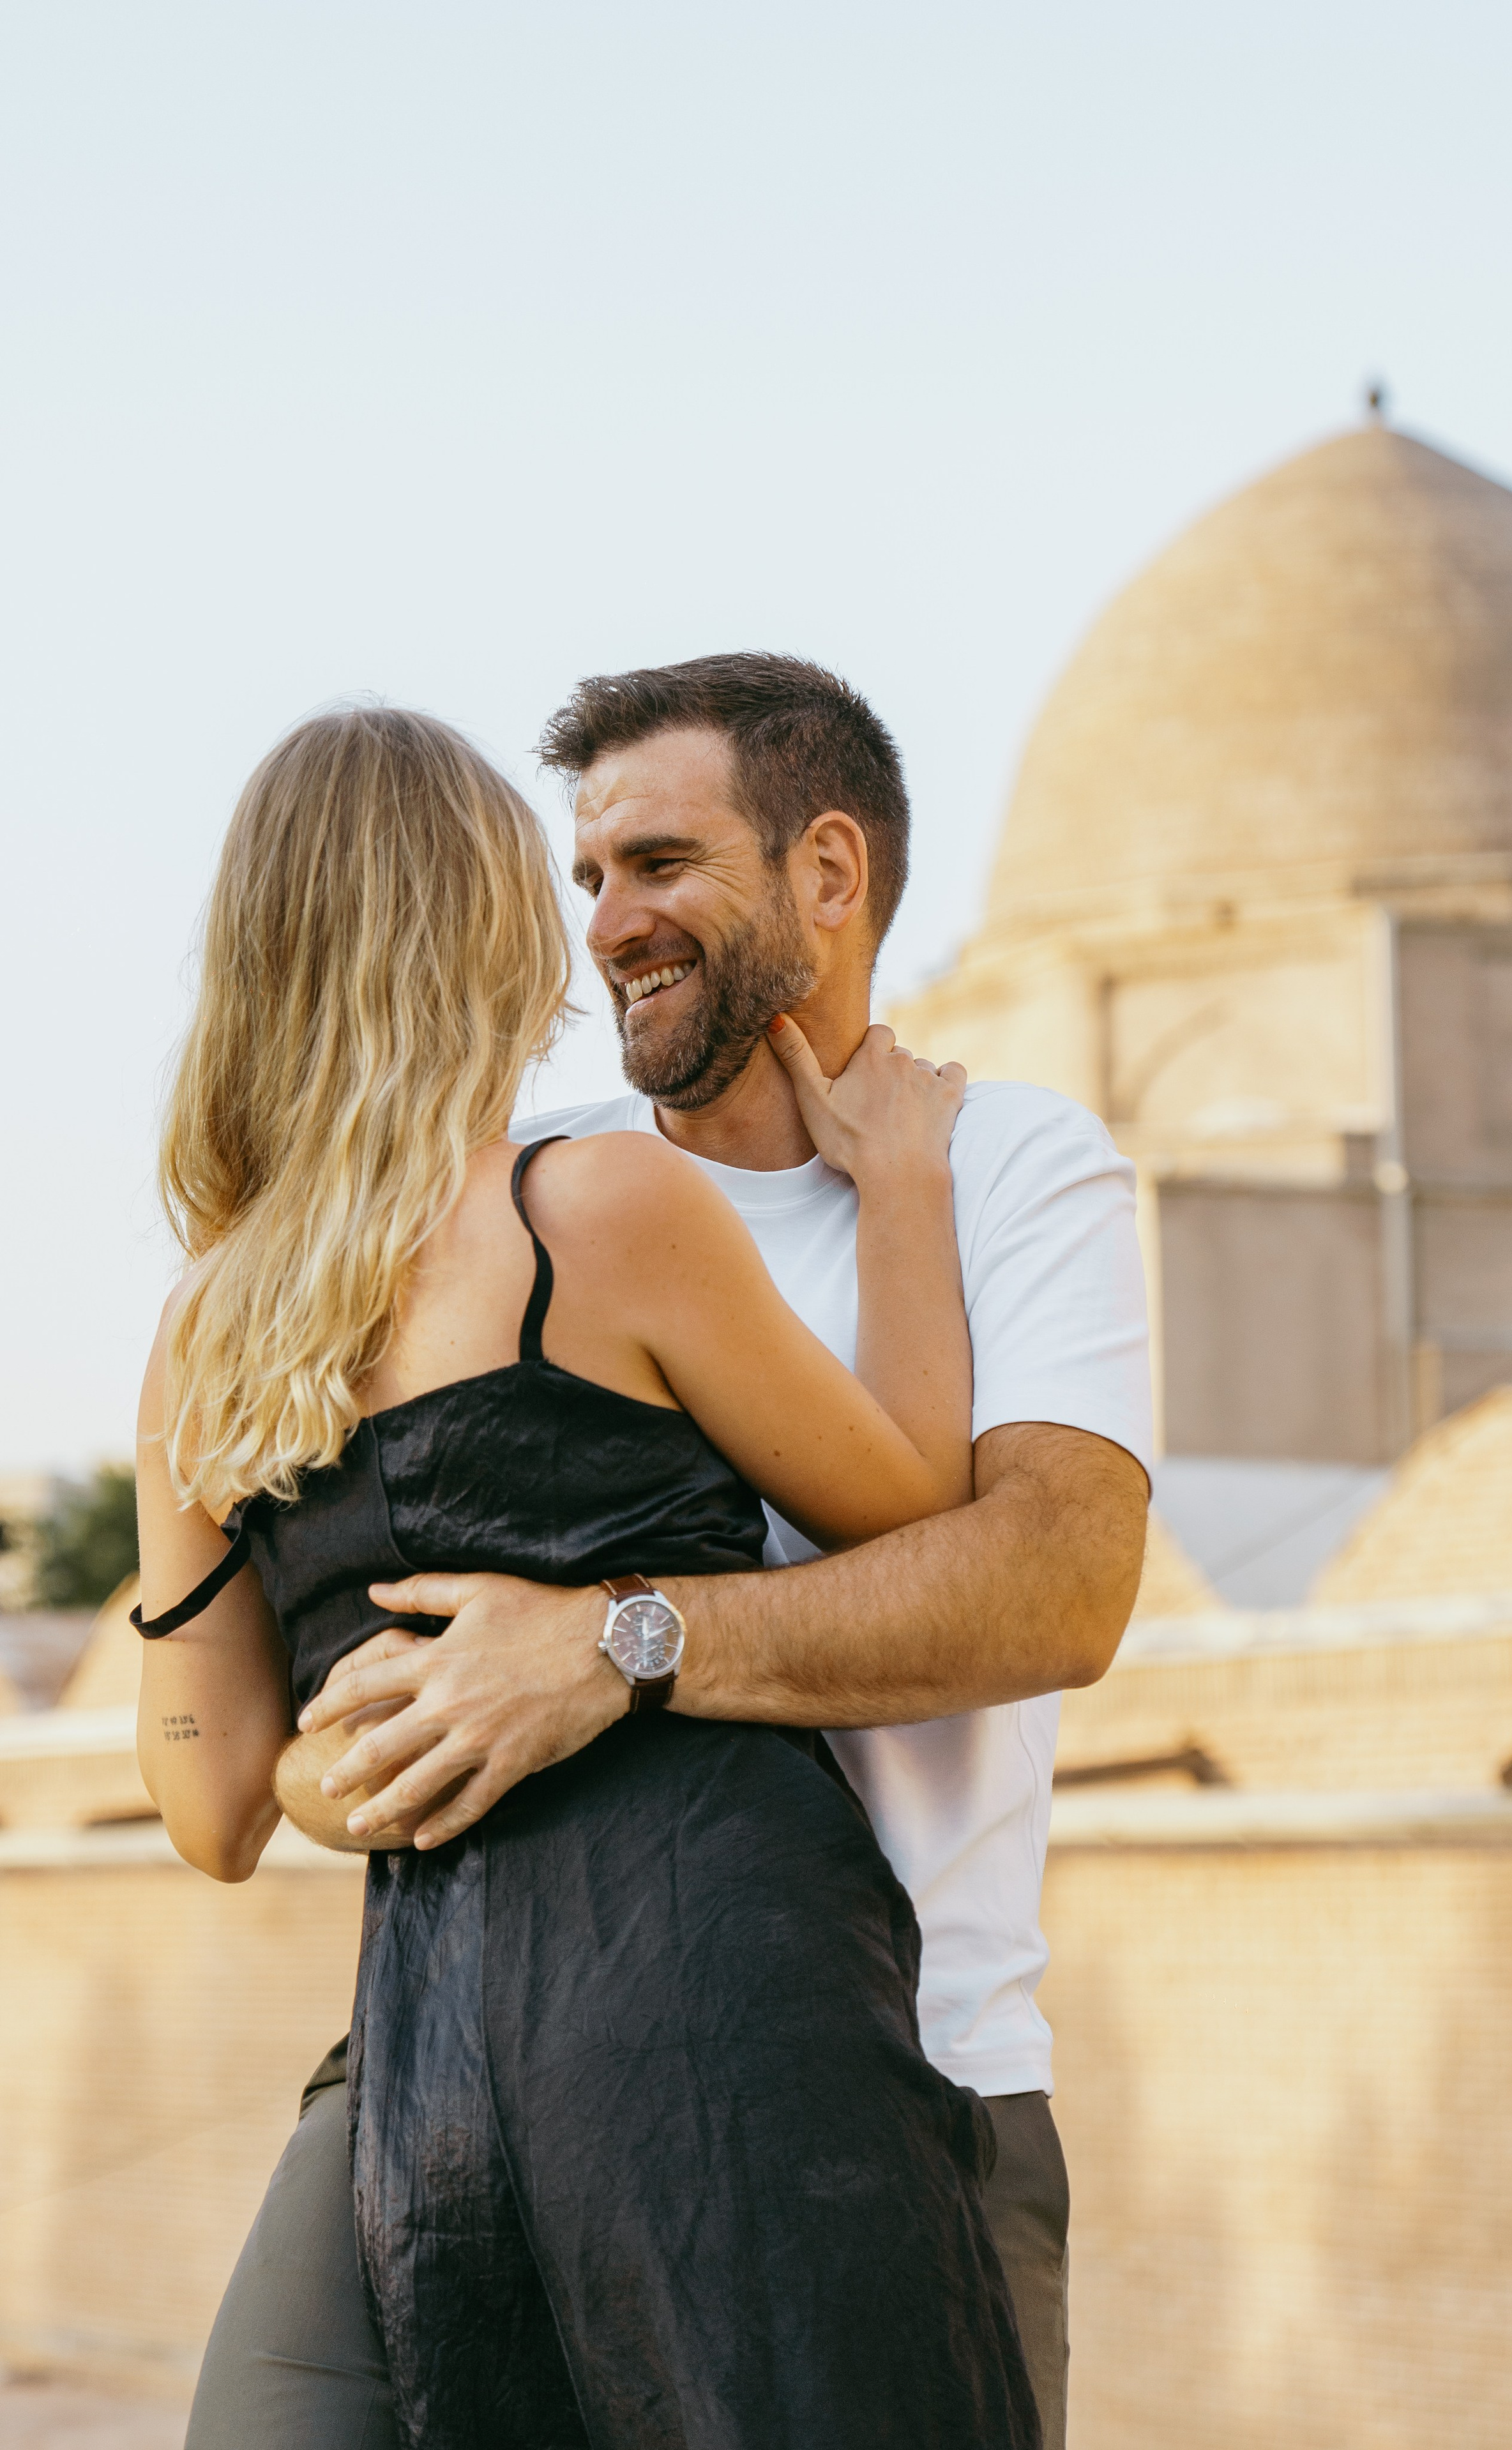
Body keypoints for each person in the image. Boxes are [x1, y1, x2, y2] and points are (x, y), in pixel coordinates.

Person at [188, 654, 1153, 2450]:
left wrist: (613, 1645)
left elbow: (1052, 1589)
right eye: (584, 880)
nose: (607, 925)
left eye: (659, 864)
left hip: (905, 2046)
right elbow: (291, 1686)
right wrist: (349, 1764)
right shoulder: (530, 1196)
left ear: (830, 873)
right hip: (462, 2036)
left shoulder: (1014, 1166)